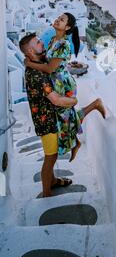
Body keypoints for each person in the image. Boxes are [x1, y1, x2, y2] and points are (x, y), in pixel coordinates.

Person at [20, 33, 107, 197]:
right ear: (31, 51)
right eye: (38, 43)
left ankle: (53, 180)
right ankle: (46, 193)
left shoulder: (39, 61)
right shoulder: (36, 75)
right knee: (50, 158)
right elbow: (56, 99)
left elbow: (53, 62)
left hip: (52, 117)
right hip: (47, 122)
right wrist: (73, 101)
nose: (41, 43)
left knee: (67, 129)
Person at [24, 13, 106, 161]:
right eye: (58, 17)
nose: (57, 19)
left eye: (62, 20)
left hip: (63, 84)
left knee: (65, 117)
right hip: (55, 82)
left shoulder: (64, 44)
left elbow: (49, 68)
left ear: (67, 27)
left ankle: (93, 109)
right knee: (64, 118)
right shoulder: (53, 41)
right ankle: (76, 142)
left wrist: (29, 64)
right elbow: (46, 62)